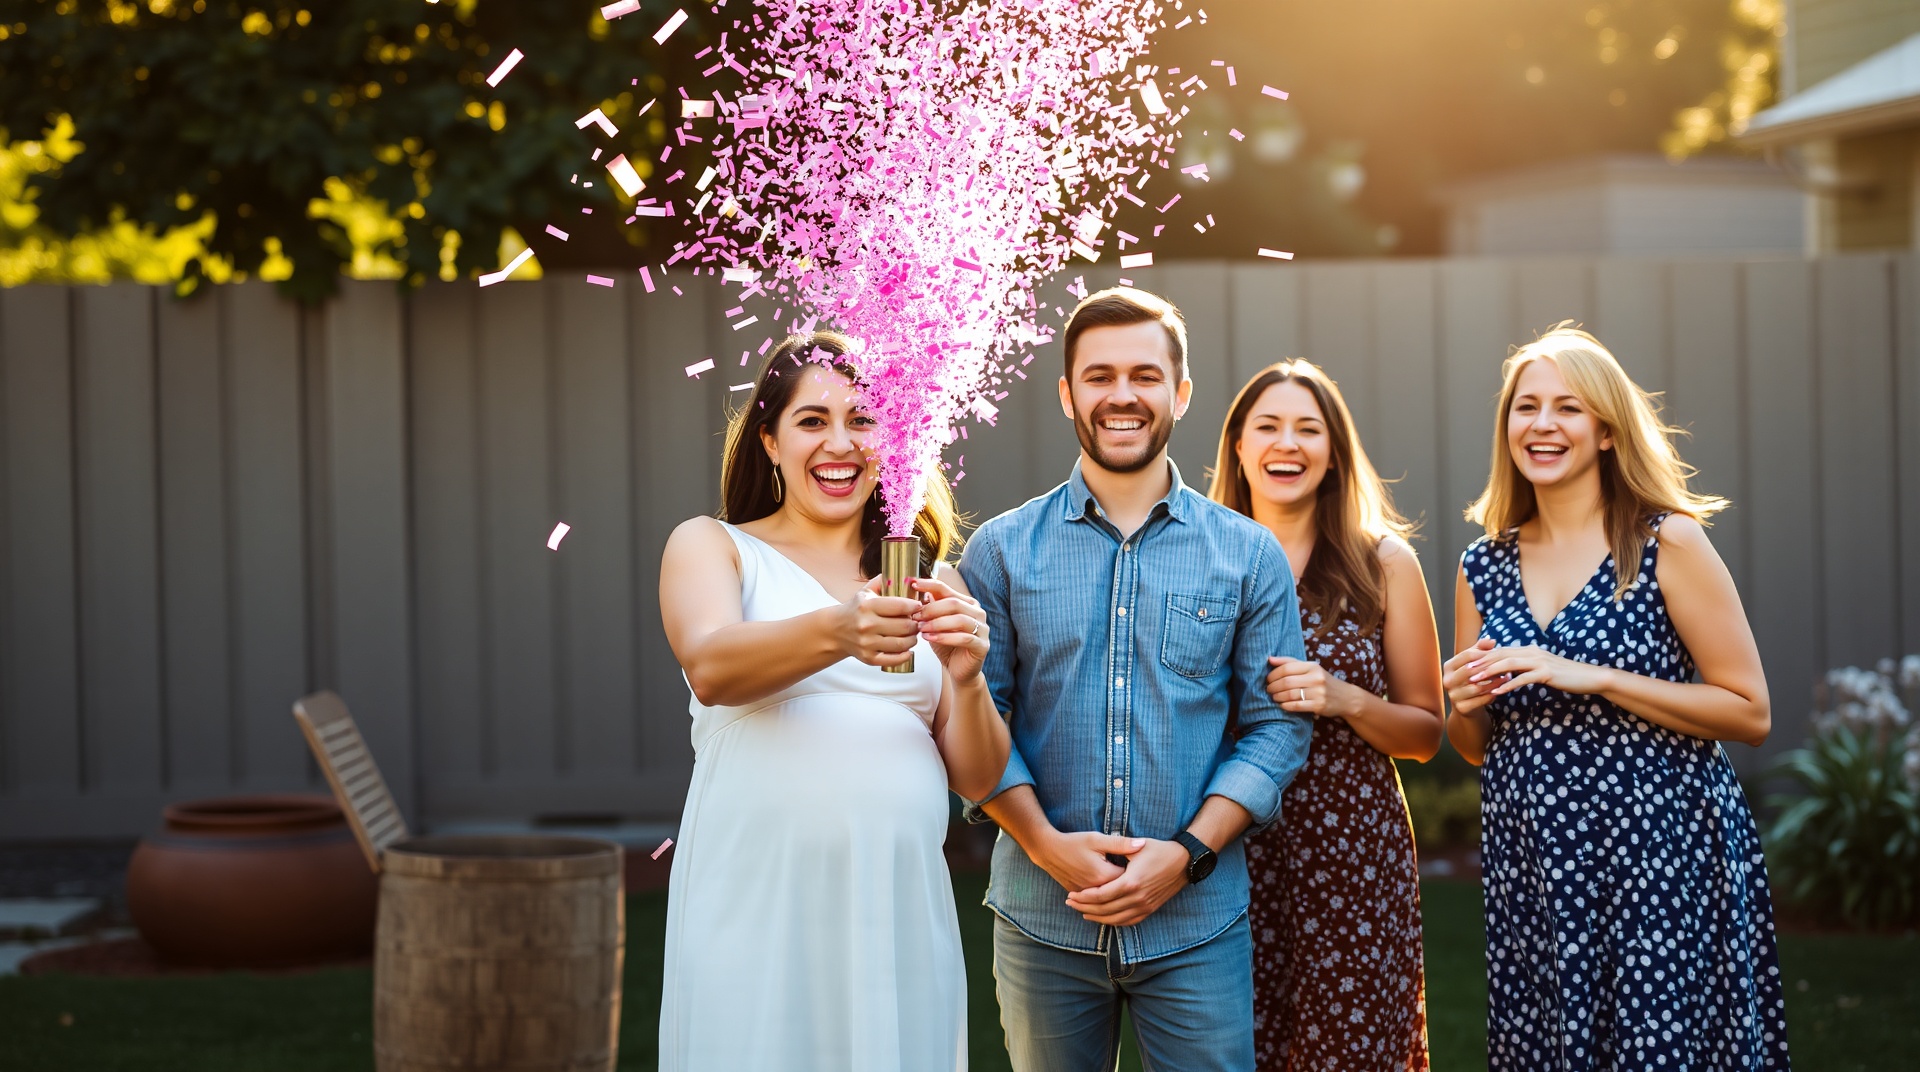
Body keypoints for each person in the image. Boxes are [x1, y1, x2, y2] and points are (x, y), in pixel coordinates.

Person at [959, 287, 1313, 1072]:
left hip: (1197, 925)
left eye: (1146, 376)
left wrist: (1185, 855)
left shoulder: (1248, 555)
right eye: (1099, 376)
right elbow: (977, 720)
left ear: (1180, 394)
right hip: (1040, 921)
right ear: (1067, 394)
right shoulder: (1001, 552)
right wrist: (1047, 847)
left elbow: (1277, 728)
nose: (1123, 395)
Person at [656, 332, 1010, 1072]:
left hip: (896, 906)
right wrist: (841, 627)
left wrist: (970, 677)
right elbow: (713, 665)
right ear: (769, 441)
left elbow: (978, 779)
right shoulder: (712, 546)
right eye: (812, 421)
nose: (840, 442)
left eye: (864, 418)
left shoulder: (931, 579)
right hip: (755, 895)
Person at [1442, 324, 1791, 1070]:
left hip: (1659, 850)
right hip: (1535, 857)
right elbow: (1475, 745)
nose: (1541, 425)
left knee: (1657, 1046)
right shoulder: (1484, 564)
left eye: (1566, 408)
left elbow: (1750, 711)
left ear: (1605, 430)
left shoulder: (1669, 543)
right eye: (1525, 407)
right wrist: (1465, 701)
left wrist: (1594, 676)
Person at [1208, 360, 1443, 1071]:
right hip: (1227, 849)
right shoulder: (1197, 558)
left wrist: (1346, 700)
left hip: (1353, 860)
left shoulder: (1383, 563)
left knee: (1351, 1050)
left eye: (1309, 429)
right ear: (1239, 449)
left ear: (1334, 452)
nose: (1289, 444)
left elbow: (1428, 733)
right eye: (1269, 427)